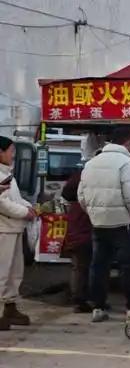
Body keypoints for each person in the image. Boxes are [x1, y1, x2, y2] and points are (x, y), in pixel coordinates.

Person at [78, 126, 130, 322]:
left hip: (98, 223)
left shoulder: (91, 163)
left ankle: (98, 307)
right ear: (128, 143)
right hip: (122, 224)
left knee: (98, 265)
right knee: (127, 267)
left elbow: (81, 195)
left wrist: (93, 213)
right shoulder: (127, 163)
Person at [0, 137, 35, 330]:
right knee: (2, 272)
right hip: (3, 230)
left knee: (15, 272)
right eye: (11, 151)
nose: (13, 155)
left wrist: (29, 208)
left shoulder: (8, 175)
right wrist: (24, 212)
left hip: (15, 228)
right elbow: (3, 204)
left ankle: (10, 307)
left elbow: (16, 199)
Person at [60, 169, 93, 313]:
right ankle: (82, 300)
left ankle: (79, 298)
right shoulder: (102, 176)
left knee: (78, 265)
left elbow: (66, 193)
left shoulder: (80, 174)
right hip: (89, 227)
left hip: (77, 225)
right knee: (86, 265)